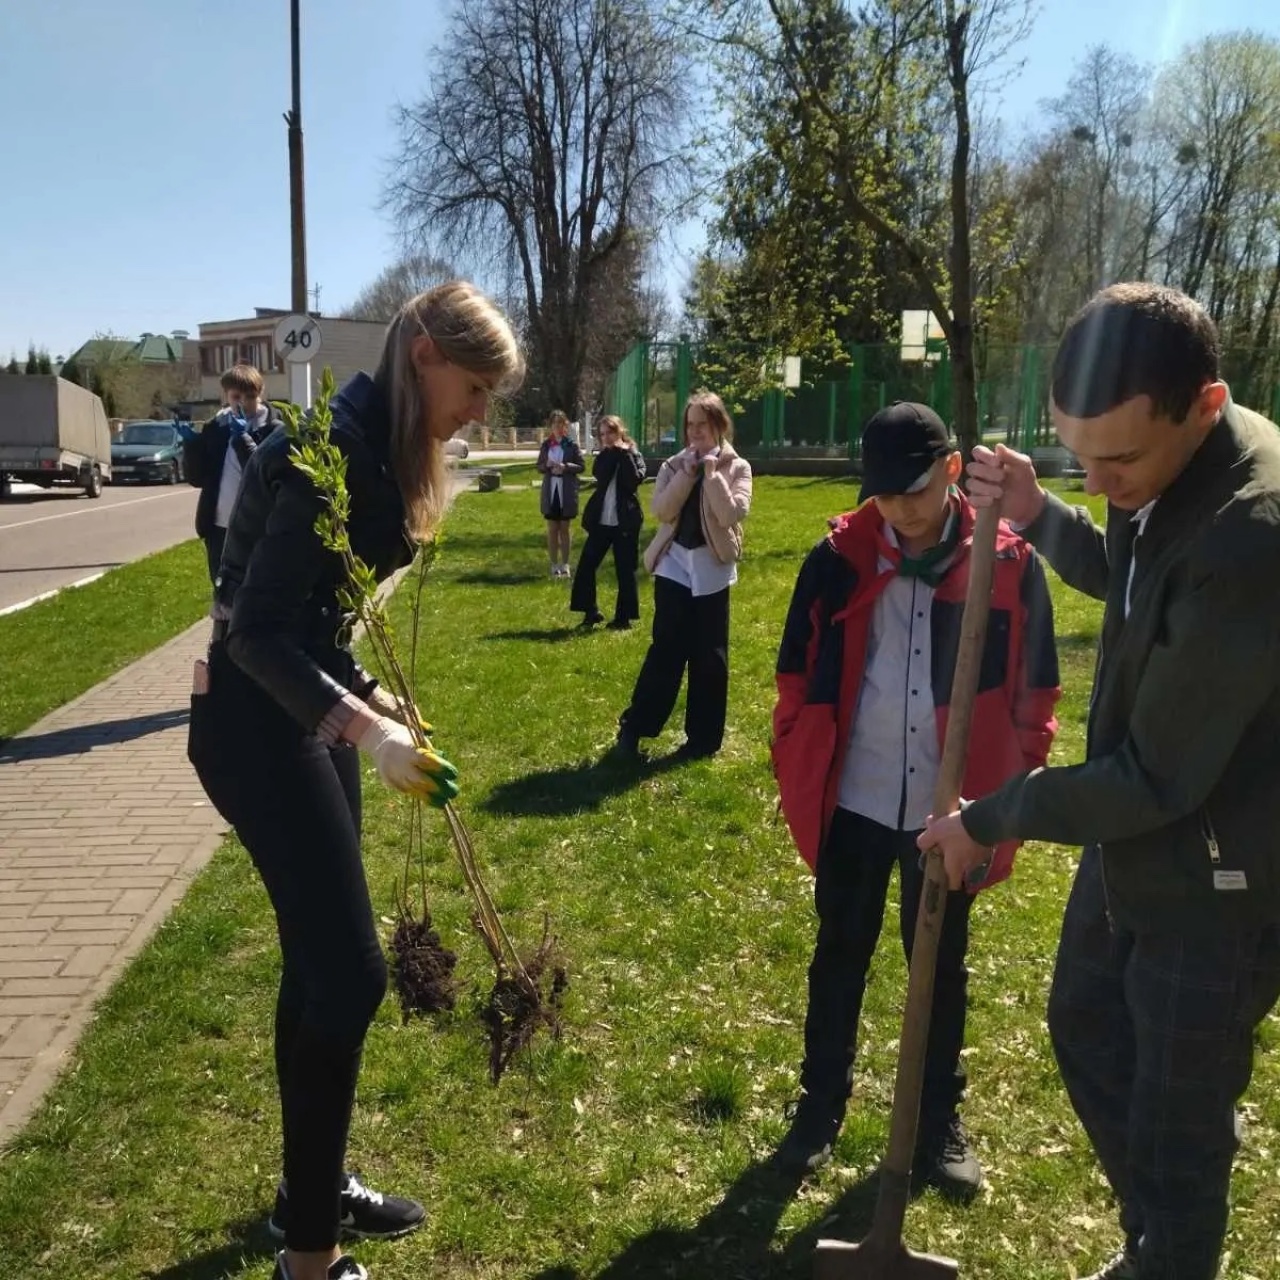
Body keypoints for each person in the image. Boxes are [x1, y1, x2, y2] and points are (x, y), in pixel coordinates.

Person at [919, 283, 1280, 1280]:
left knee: (1174, 1113)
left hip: (1217, 872)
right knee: (1084, 1019)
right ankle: (1161, 1232)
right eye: (1077, 454)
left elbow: (1158, 774)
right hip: (1138, 834)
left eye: (1116, 460)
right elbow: (1130, 583)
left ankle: (1171, 1239)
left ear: (1204, 405)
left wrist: (990, 816)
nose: (1100, 477)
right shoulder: (1161, 467)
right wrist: (1042, 515)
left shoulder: (1248, 536)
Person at [186, 282, 524, 1280]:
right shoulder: (316, 457)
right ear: (421, 352)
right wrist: (370, 732)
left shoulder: (378, 453)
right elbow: (256, 633)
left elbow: (323, 625)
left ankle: (310, 1187)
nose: (479, 414)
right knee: (350, 973)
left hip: (305, 715)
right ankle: (309, 1258)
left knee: (317, 965)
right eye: (473, 388)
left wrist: (377, 698)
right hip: (255, 728)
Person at [769, 401, 1060, 1195]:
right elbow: (796, 675)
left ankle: (937, 1124)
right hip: (856, 797)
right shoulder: (837, 559)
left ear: (954, 469)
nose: (901, 509)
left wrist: (1006, 791)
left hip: (950, 813)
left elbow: (1038, 692)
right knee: (839, 955)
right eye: (886, 494)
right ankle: (818, 1108)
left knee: (939, 966)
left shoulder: (1008, 566)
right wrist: (793, 751)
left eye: (917, 490)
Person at [613, 390, 752, 760]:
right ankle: (635, 727)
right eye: (689, 426)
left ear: (718, 427)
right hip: (674, 565)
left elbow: (732, 514)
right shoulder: (675, 465)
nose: (694, 433)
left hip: (713, 570)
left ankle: (703, 740)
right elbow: (661, 510)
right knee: (666, 650)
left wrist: (711, 475)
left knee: (710, 657)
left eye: (702, 426)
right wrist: (688, 475)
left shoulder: (737, 468)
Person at [183, 364, 284, 585]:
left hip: (257, 527)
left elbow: (261, 477)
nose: (243, 403)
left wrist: (243, 439)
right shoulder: (216, 427)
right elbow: (197, 478)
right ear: (225, 395)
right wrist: (191, 447)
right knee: (223, 589)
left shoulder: (274, 429)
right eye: (236, 396)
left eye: (250, 396)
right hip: (220, 526)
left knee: (256, 588)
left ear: (261, 393)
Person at [569, 415, 647, 629]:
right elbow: (600, 475)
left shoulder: (634, 454)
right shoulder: (604, 455)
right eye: (602, 434)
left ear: (620, 431)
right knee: (586, 566)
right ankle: (590, 612)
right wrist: (612, 453)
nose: (606, 438)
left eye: (610, 432)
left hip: (625, 522)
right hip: (601, 522)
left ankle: (623, 619)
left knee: (625, 569)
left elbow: (633, 480)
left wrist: (624, 454)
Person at [536, 409, 584, 578]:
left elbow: (581, 466)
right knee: (552, 529)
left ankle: (565, 564)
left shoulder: (571, 445)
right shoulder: (546, 445)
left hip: (566, 489)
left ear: (566, 426)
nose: (557, 427)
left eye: (561, 424)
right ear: (551, 426)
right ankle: (553, 564)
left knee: (564, 528)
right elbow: (539, 466)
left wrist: (566, 466)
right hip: (551, 489)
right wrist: (547, 465)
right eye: (554, 423)